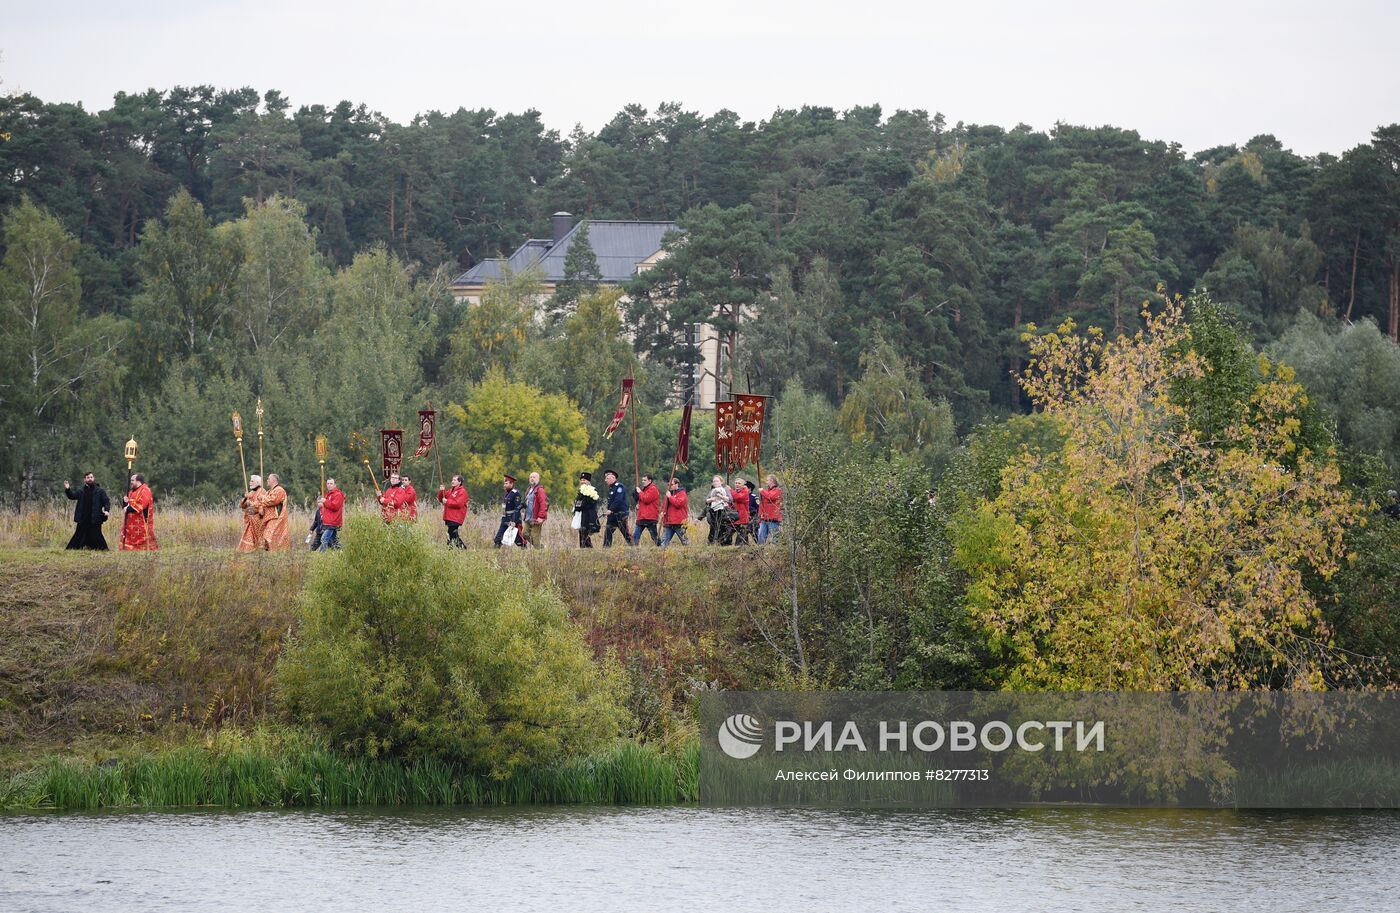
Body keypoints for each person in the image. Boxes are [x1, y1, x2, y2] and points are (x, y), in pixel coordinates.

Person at [63, 472, 110, 550]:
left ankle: (101, 549)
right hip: (83, 518)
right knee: (79, 534)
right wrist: (68, 489)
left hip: (95, 517)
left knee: (97, 535)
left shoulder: (100, 491)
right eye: (88, 477)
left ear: (94, 478)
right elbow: (72, 496)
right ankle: (74, 549)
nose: (90, 479)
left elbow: (106, 501)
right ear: (85, 479)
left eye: (91, 477)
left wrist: (106, 510)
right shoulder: (81, 490)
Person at [120, 473, 158, 551]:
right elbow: (127, 506)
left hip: (141, 520)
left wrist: (128, 508)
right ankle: (129, 550)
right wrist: (124, 502)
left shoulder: (145, 490)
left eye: (132, 480)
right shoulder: (131, 492)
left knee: (142, 538)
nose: (131, 482)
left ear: (138, 481)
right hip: (130, 522)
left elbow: (141, 505)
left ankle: (143, 550)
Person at [259, 473, 292, 551]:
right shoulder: (268, 492)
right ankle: (270, 554)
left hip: (277, 517)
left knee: (270, 535)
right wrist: (260, 507)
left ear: (274, 480)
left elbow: (273, 501)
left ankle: (275, 553)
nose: (267, 480)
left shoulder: (279, 490)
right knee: (266, 535)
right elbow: (262, 503)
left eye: (268, 479)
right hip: (269, 518)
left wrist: (262, 498)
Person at [493, 474, 525, 548]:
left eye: (506, 483)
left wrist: (513, 521)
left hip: (513, 519)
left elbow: (517, 509)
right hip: (505, 518)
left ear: (512, 484)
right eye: (504, 483)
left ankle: (525, 550)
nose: (504, 485)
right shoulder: (507, 493)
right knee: (498, 538)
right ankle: (494, 553)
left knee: (518, 539)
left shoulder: (515, 493)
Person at [603, 469, 633, 547]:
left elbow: (618, 499)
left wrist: (610, 509)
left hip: (620, 515)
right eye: (605, 478)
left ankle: (633, 547)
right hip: (612, 516)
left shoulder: (619, 486)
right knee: (608, 532)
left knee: (625, 533)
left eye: (607, 478)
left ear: (613, 477)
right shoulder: (611, 488)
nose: (605, 480)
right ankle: (606, 549)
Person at [438, 474, 469, 548]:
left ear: (459, 482)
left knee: (452, 534)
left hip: (456, 517)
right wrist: (441, 491)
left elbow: (459, 504)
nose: (452, 481)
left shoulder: (462, 492)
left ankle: (457, 548)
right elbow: (441, 499)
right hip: (449, 516)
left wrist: (447, 501)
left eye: (454, 480)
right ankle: (455, 548)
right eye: (452, 480)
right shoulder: (450, 491)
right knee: (452, 534)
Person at [237, 474, 265, 552]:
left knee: (259, 537)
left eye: (252, 481)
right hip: (249, 520)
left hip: (258, 519)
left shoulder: (262, 491)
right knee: (248, 535)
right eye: (250, 481)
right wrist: (245, 498)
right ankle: (247, 551)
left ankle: (260, 552)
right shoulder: (251, 493)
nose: (250, 483)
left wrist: (251, 504)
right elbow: (242, 506)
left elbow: (262, 504)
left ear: (258, 482)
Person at [316, 478, 345, 550]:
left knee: (324, 539)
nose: (329, 485)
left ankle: (321, 557)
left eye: (331, 483)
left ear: (335, 485)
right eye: (328, 483)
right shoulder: (327, 494)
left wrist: (325, 501)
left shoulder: (338, 494)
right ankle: (342, 553)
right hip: (327, 522)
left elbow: (335, 507)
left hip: (333, 522)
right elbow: (327, 508)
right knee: (334, 542)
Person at [574, 471, 601, 548]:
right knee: (582, 532)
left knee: (585, 532)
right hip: (581, 514)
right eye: (582, 480)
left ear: (588, 481)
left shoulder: (593, 490)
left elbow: (591, 504)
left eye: (584, 480)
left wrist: (581, 505)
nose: (583, 482)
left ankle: (587, 548)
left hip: (589, 515)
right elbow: (577, 503)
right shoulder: (580, 490)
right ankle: (584, 548)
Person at [705, 475, 734, 545]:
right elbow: (706, 501)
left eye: (717, 481)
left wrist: (721, 496)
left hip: (723, 510)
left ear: (721, 482)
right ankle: (711, 543)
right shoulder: (712, 491)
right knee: (713, 527)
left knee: (723, 526)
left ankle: (724, 543)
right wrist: (712, 499)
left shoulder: (725, 490)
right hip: (713, 511)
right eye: (714, 481)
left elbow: (730, 500)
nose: (715, 482)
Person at [661, 477, 690, 546]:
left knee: (685, 542)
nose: (669, 486)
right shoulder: (668, 494)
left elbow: (678, 504)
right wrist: (662, 511)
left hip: (679, 522)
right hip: (669, 522)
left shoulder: (682, 494)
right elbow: (664, 505)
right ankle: (661, 555)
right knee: (664, 543)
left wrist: (670, 497)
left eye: (671, 484)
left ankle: (688, 554)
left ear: (677, 484)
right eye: (668, 484)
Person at [634, 474, 661, 545]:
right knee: (635, 536)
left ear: (650, 481)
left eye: (645, 480)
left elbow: (646, 499)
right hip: (642, 516)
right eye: (642, 480)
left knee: (654, 537)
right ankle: (633, 551)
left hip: (650, 517)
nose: (643, 482)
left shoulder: (653, 489)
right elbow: (643, 500)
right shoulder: (645, 489)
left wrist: (639, 492)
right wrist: (638, 504)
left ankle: (660, 549)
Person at [523, 471, 548, 547]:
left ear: (538, 479)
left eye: (534, 477)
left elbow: (543, 504)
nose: (532, 479)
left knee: (535, 536)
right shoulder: (528, 489)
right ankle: (541, 547)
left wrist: (541, 517)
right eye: (531, 477)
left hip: (537, 517)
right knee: (524, 533)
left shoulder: (540, 490)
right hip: (528, 517)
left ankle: (538, 554)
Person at [757, 474, 784, 544]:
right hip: (764, 518)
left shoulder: (778, 490)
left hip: (773, 518)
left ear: (772, 481)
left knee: (774, 539)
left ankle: (775, 553)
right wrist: (760, 515)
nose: (766, 482)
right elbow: (762, 504)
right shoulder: (767, 491)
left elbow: (771, 497)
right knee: (761, 537)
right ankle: (759, 552)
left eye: (767, 480)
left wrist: (762, 491)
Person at [729, 476, 752, 545]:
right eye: (736, 483)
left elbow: (738, 497)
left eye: (739, 483)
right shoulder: (735, 492)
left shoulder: (745, 491)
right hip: (735, 517)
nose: (737, 484)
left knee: (741, 538)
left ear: (743, 485)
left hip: (743, 517)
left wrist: (730, 490)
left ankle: (743, 549)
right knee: (741, 536)